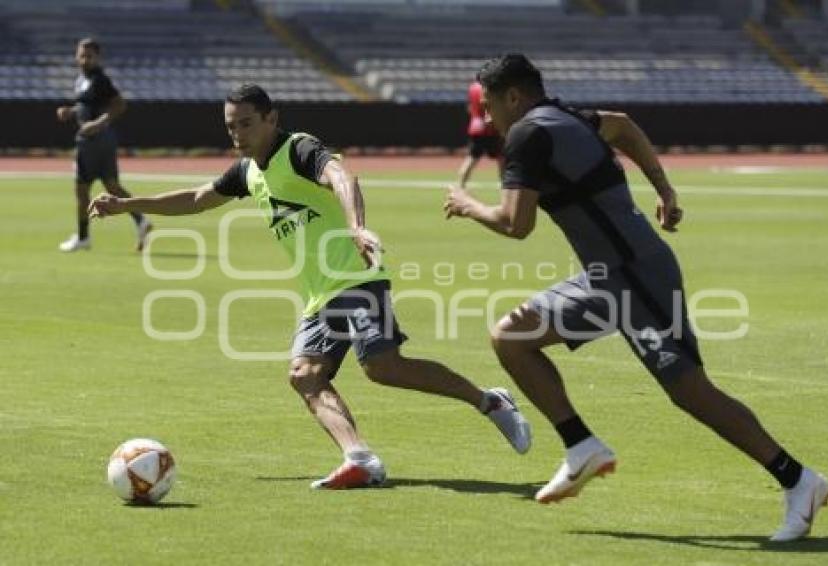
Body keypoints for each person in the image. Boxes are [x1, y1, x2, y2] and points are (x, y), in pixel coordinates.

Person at [443, 54, 828, 542]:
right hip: (606, 278)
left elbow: (515, 224)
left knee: (691, 392)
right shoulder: (570, 117)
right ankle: (581, 445)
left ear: (514, 97)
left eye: (491, 108)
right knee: (511, 337)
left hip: (637, 277)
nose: (490, 122)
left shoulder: (526, 134)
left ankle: (799, 480)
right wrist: (664, 188)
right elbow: (624, 127)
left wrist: (467, 204)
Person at [89, 83, 531, 490]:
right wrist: (128, 204)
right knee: (305, 376)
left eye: (245, 123)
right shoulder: (248, 172)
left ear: (271, 119)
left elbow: (342, 177)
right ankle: (360, 458)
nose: (237, 134)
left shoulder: (298, 149)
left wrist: (357, 227)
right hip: (320, 295)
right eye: (230, 126)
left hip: (357, 276)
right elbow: (197, 198)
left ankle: (489, 401)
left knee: (382, 367)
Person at [56, 38, 151, 252]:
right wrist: (70, 112)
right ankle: (141, 220)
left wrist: (97, 124)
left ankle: (83, 238)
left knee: (81, 189)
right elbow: (86, 105)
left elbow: (119, 105)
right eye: (81, 55)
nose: (84, 59)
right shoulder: (82, 79)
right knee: (112, 186)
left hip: (94, 141)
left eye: (89, 56)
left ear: (97, 57)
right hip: (101, 141)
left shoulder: (100, 79)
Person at [456, 81, 503, 190]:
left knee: (472, 158)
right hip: (489, 128)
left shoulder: (472, 87)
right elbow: (488, 106)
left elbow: (470, 107)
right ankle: (505, 185)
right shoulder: (486, 88)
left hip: (475, 126)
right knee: (502, 158)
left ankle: (460, 185)